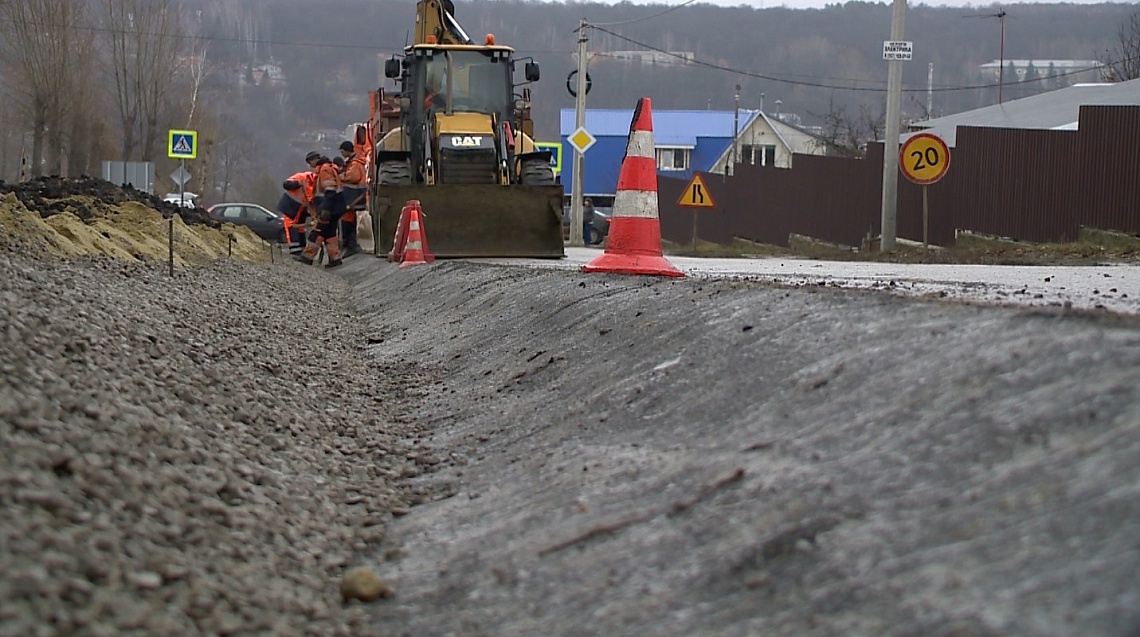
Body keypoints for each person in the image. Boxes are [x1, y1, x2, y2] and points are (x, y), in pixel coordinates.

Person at [296, 151, 344, 268]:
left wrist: (325, 209)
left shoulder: (324, 170)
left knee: (317, 232)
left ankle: (307, 257)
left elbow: (330, 190)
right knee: (329, 234)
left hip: (328, 209)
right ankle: (335, 259)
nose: (310, 165)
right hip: (334, 208)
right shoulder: (327, 168)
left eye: (309, 162)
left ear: (314, 160)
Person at [338, 140, 368, 257]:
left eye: (342, 151)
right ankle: (350, 244)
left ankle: (350, 245)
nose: (341, 154)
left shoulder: (355, 163)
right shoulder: (353, 162)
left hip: (353, 196)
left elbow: (353, 177)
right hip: (353, 196)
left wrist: (341, 176)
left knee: (347, 220)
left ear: (346, 151)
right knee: (349, 220)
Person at [278, 169, 315, 259]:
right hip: (289, 206)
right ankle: (295, 252)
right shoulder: (302, 177)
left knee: (300, 229)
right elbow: (286, 184)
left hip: (300, 210)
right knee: (291, 227)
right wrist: (298, 183)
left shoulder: (315, 185)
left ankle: (301, 249)